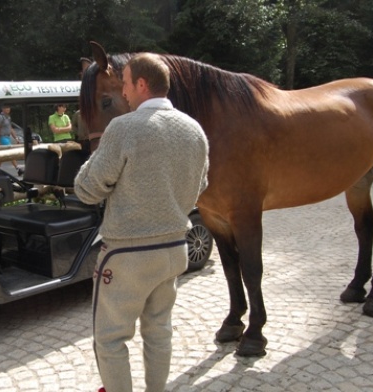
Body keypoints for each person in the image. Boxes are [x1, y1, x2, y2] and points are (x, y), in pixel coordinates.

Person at [73, 53, 209, 392]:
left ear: (142, 84)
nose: (123, 93)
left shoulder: (122, 127)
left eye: (126, 84)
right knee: (159, 331)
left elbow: (87, 190)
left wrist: (93, 166)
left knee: (109, 338)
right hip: (174, 250)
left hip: (127, 256)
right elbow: (200, 185)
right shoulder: (194, 130)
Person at [0, 104, 23, 175]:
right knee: (10, 152)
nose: (8, 109)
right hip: (2, 137)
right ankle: (17, 169)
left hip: (7, 137)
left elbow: (10, 128)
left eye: (8, 108)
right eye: (6, 108)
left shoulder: (8, 117)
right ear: (2, 109)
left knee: (2, 154)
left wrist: (16, 138)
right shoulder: (0, 117)